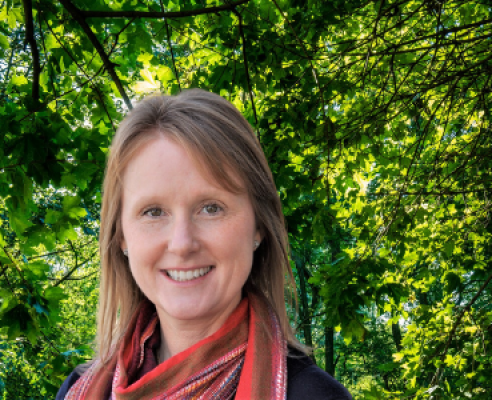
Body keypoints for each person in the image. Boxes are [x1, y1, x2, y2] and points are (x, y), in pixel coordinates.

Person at [56, 89, 352, 400]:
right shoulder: (78, 391)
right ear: (122, 236)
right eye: (153, 212)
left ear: (258, 226)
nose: (182, 244)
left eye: (211, 208)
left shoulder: (313, 395)